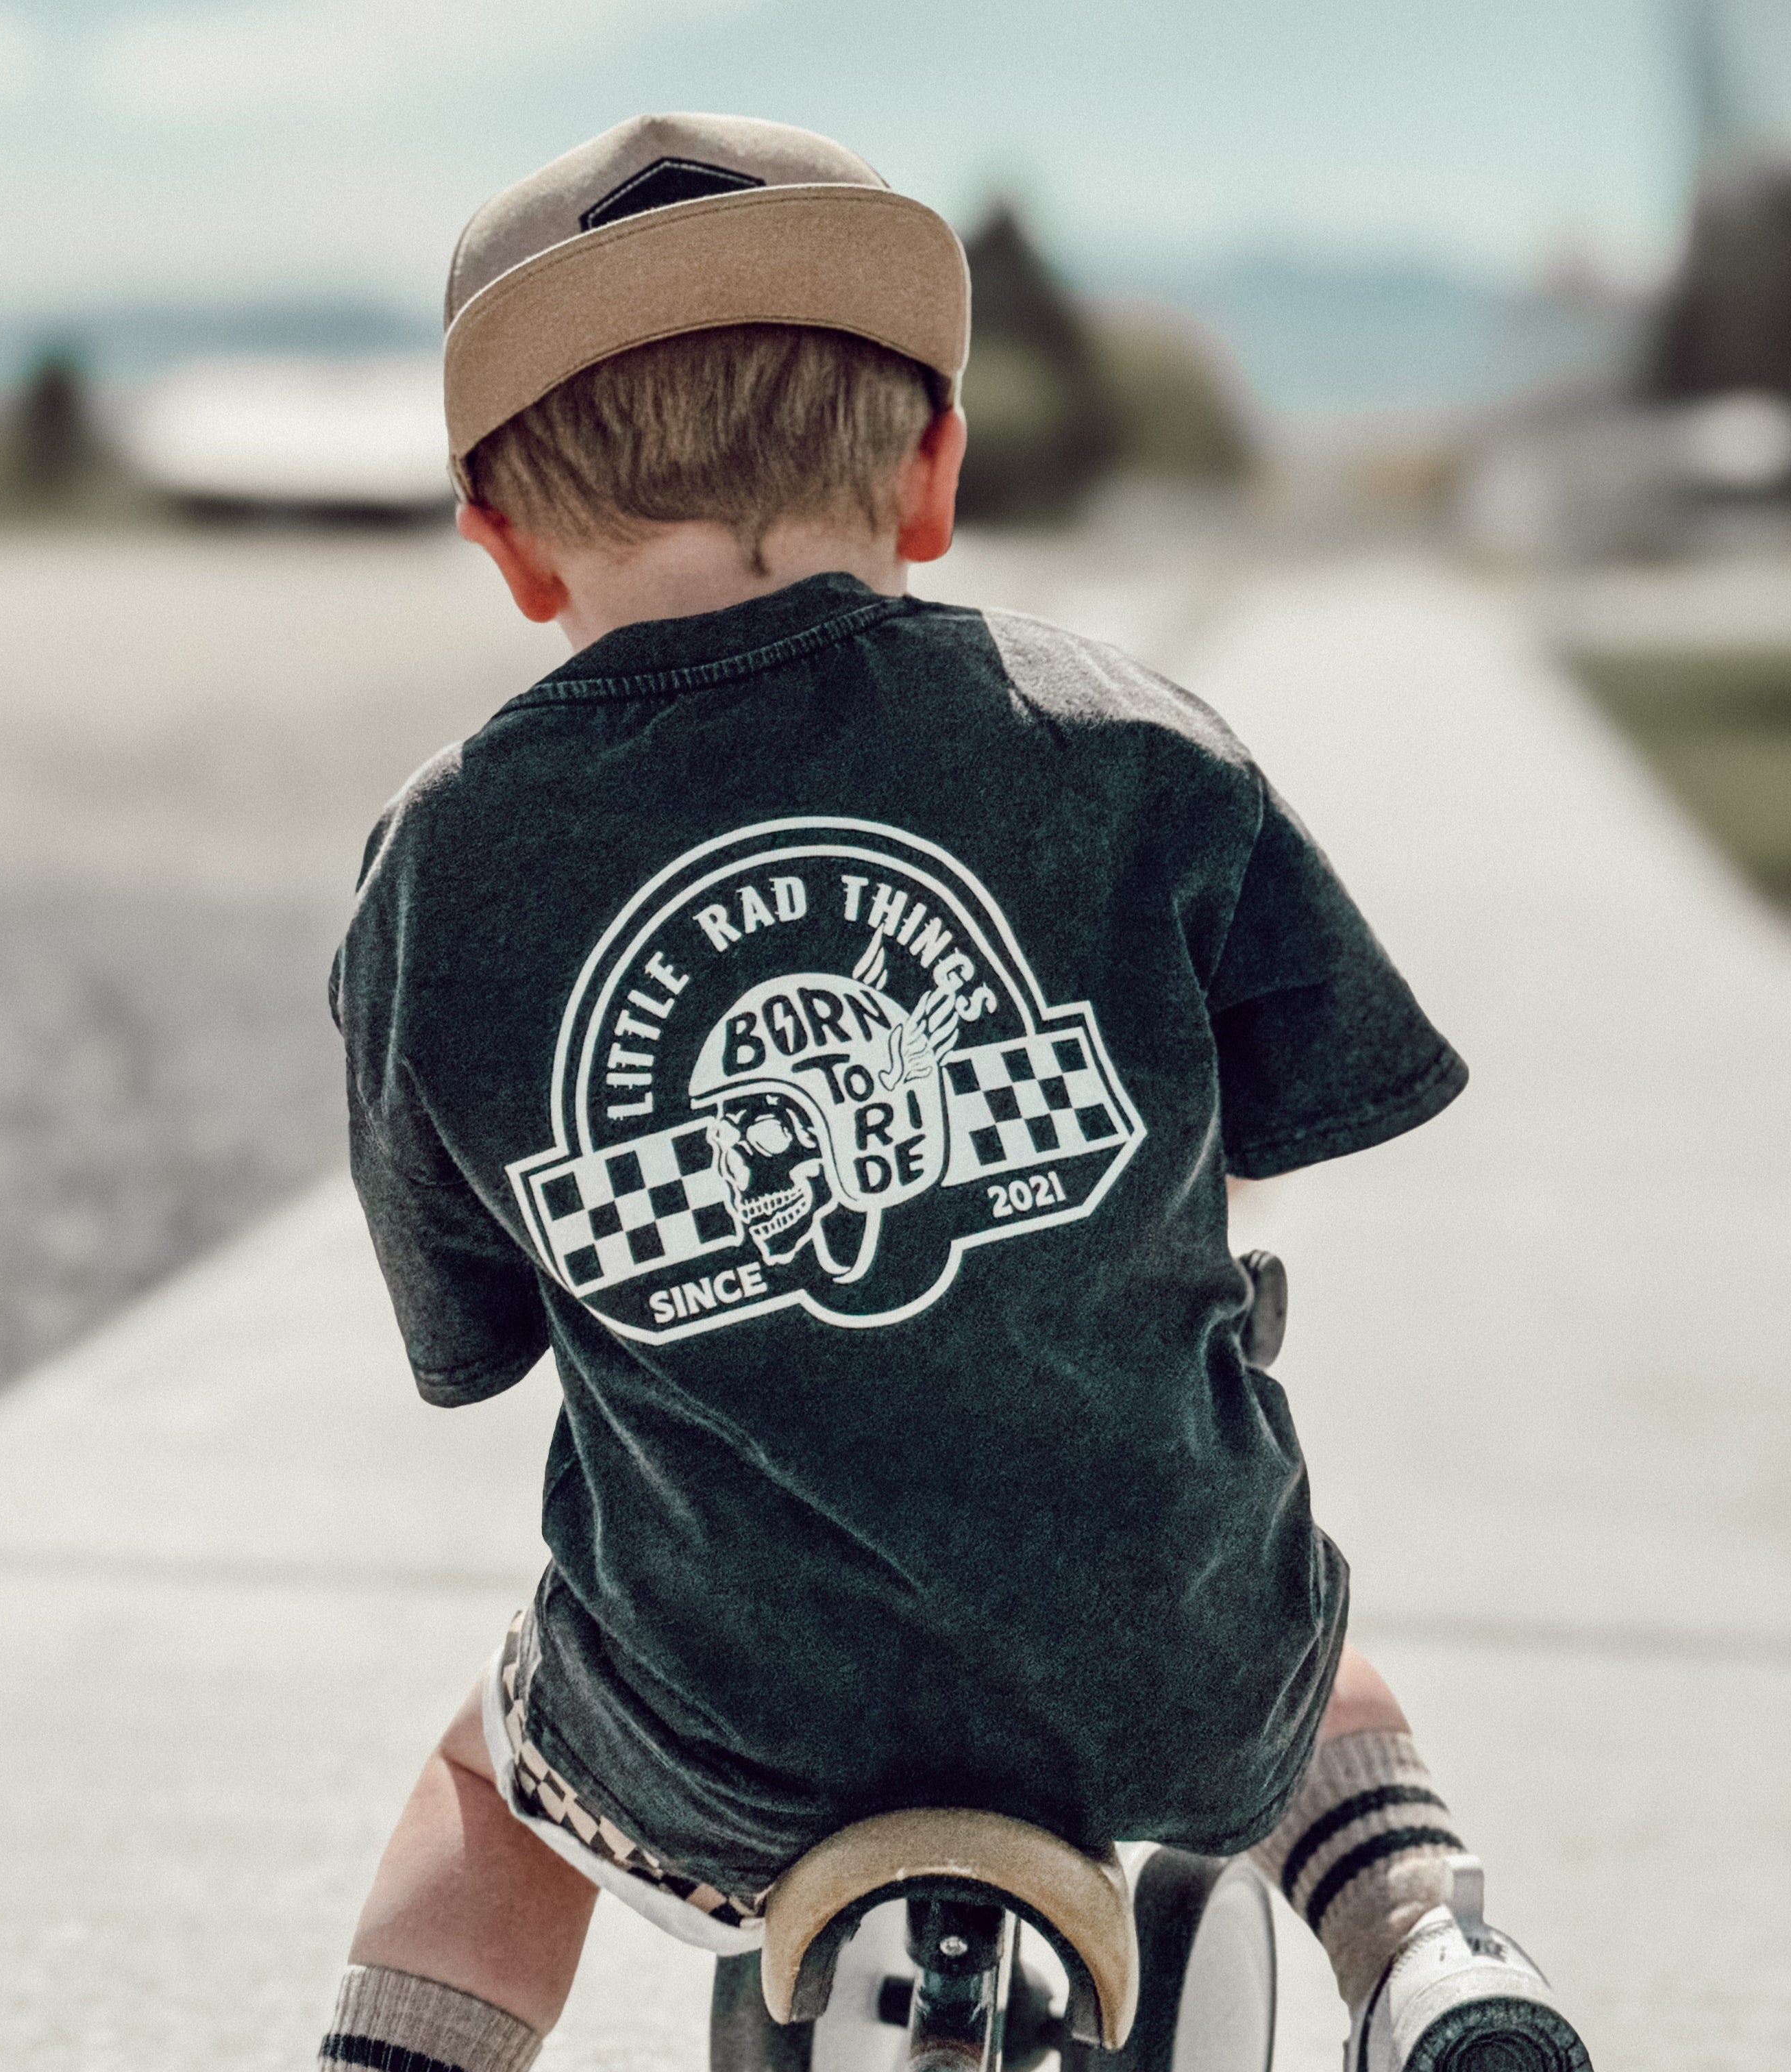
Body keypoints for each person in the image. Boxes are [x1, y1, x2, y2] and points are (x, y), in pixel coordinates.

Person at [324, 114, 1589, 2072]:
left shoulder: (442, 866)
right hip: (1155, 1664)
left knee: (490, 1786)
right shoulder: (1136, 753)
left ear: (498, 543)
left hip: (712, 1712)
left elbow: (473, 1326)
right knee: (1299, 1628)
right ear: (933, 478)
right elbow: (1281, 1110)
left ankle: (396, 2054)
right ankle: (1433, 1956)